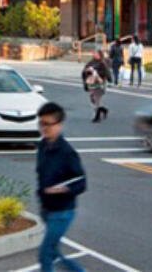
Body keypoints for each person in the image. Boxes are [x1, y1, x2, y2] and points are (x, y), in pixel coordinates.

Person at [35, 102, 89, 272]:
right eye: (41, 123)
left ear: (59, 125)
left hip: (62, 212)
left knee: (45, 254)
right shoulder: (43, 146)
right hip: (47, 209)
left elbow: (81, 183)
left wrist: (63, 189)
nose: (44, 128)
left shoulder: (67, 153)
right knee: (54, 251)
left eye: (48, 124)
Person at [81, 50, 111, 123]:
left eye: (96, 54)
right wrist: (87, 72)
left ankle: (97, 117)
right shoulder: (91, 62)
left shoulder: (102, 63)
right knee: (92, 98)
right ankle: (103, 110)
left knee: (97, 99)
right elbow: (84, 71)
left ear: (100, 55)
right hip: (92, 83)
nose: (95, 55)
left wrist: (96, 72)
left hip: (100, 83)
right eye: (94, 54)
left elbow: (106, 72)